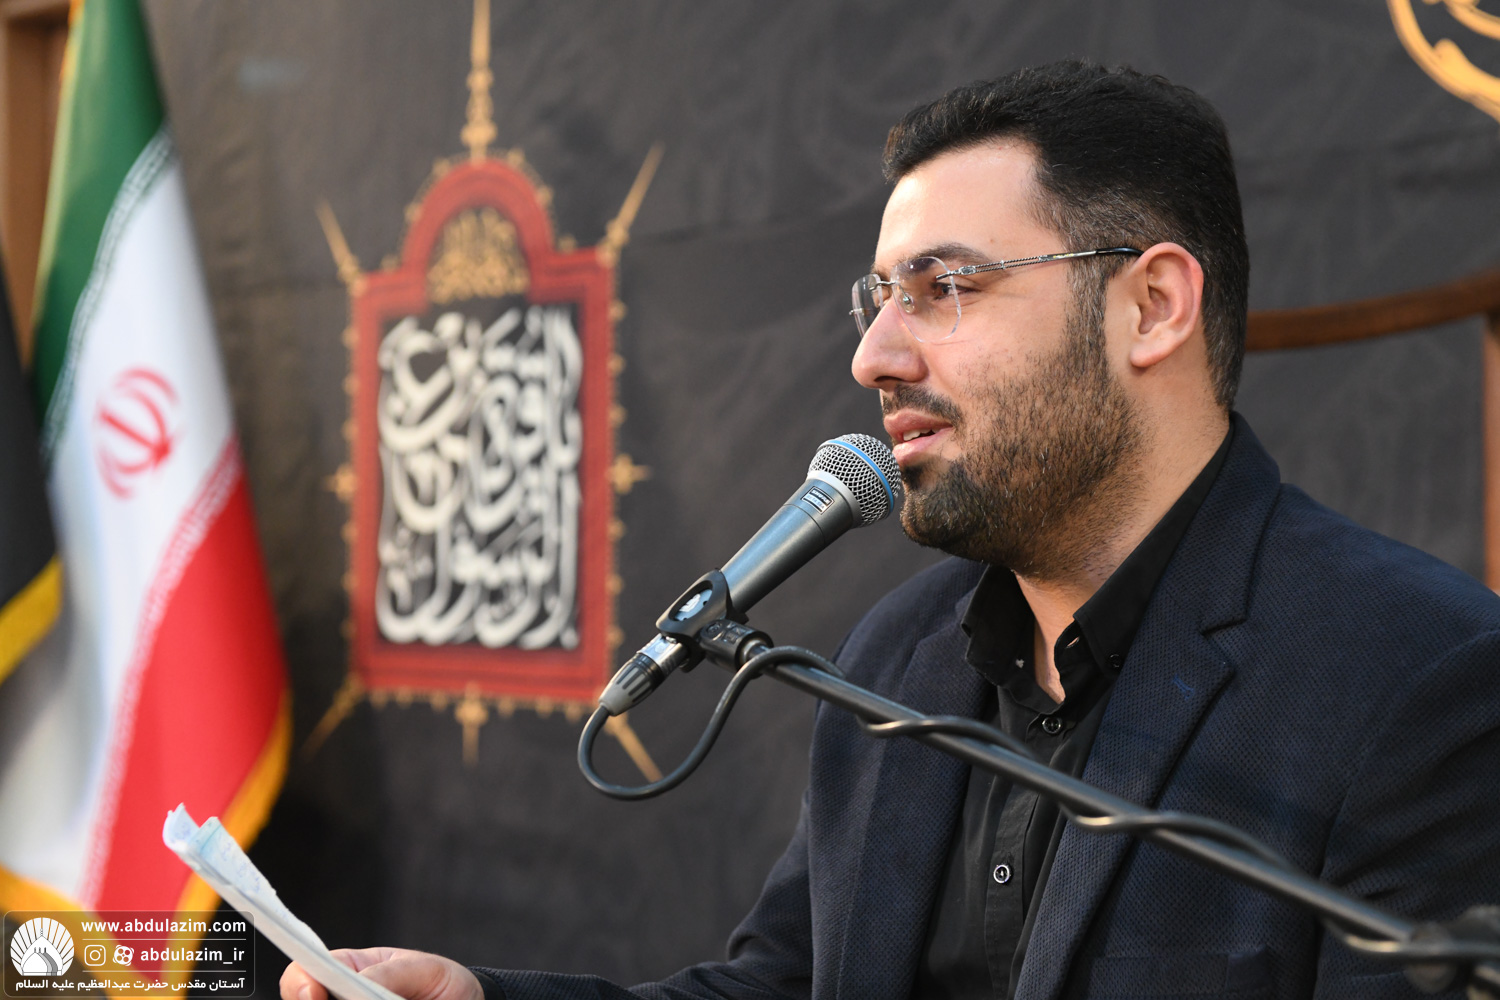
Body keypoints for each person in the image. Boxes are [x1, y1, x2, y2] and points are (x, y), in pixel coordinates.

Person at [282, 61, 1500, 1000]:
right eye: (879, 298)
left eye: (945, 288)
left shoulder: (1416, 681)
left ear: (1152, 305)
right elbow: (781, 985)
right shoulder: (897, 659)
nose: (875, 355)